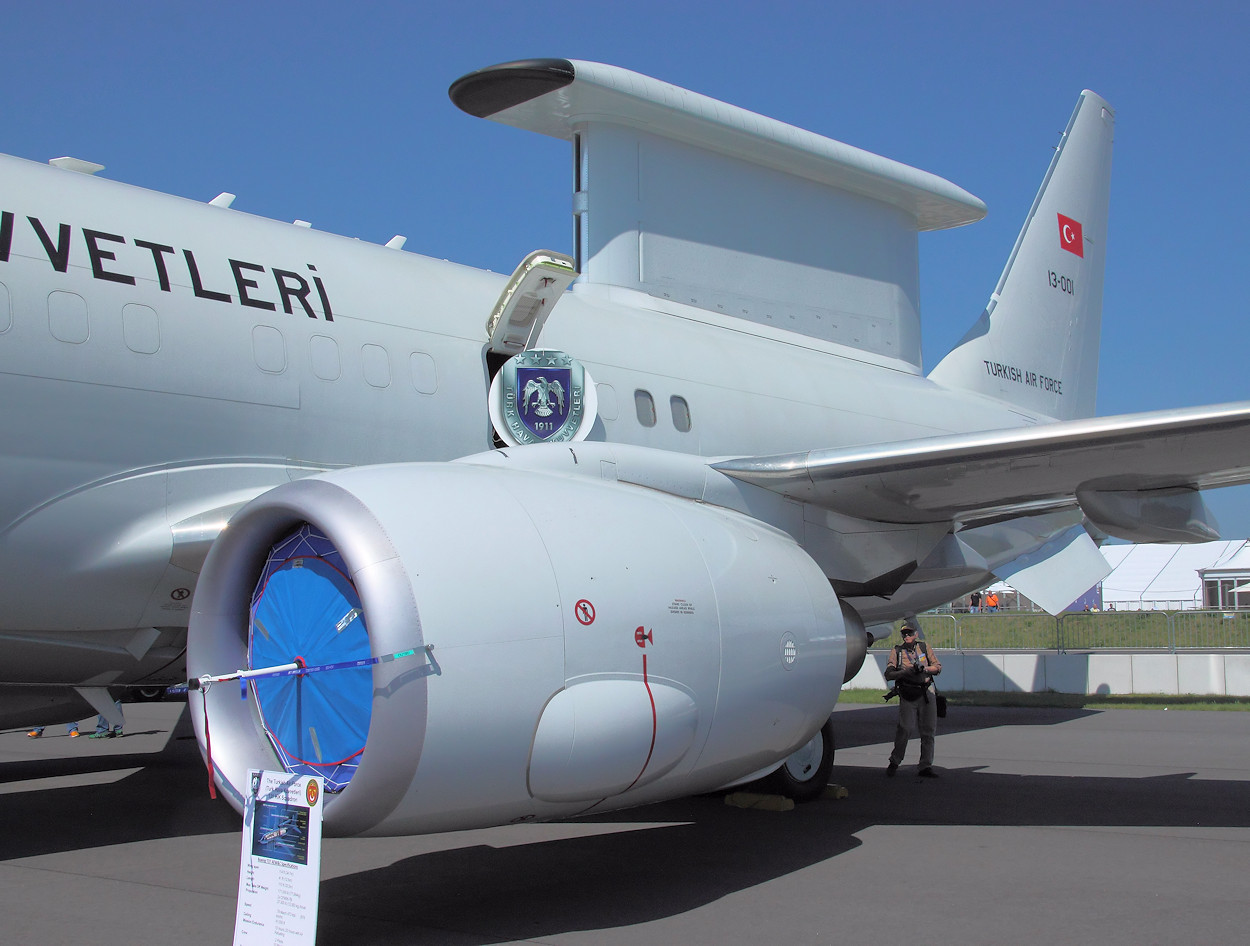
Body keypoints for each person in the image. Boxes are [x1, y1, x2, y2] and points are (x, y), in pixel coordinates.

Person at [885, 616, 942, 778]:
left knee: (928, 730)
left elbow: (937, 667)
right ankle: (895, 761)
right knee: (905, 728)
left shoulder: (924, 647)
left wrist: (925, 670)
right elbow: (888, 674)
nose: (907, 636)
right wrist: (905, 672)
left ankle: (925, 765)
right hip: (908, 693)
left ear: (916, 634)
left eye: (909, 633)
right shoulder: (897, 651)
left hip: (926, 692)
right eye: (904, 634)